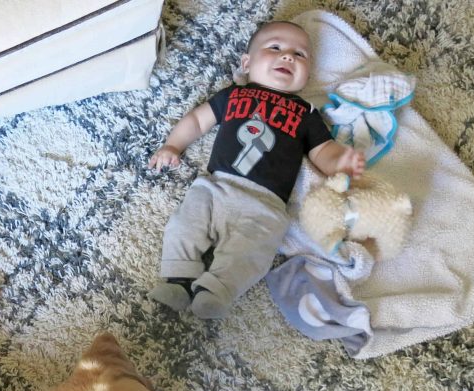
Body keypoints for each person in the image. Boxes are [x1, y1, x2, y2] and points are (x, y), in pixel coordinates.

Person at [149, 20, 365, 319]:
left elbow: (323, 151)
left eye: (299, 55)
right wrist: (173, 145)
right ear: (247, 63)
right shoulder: (233, 95)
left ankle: (217, 289)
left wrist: (341, 162)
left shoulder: (306, 114)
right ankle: (176, 278)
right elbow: (198, 121)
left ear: (307, 74)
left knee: (251, 253)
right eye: (275, 47)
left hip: (265, 203)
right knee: (185, 224)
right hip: (216, 187)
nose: (288, 56)